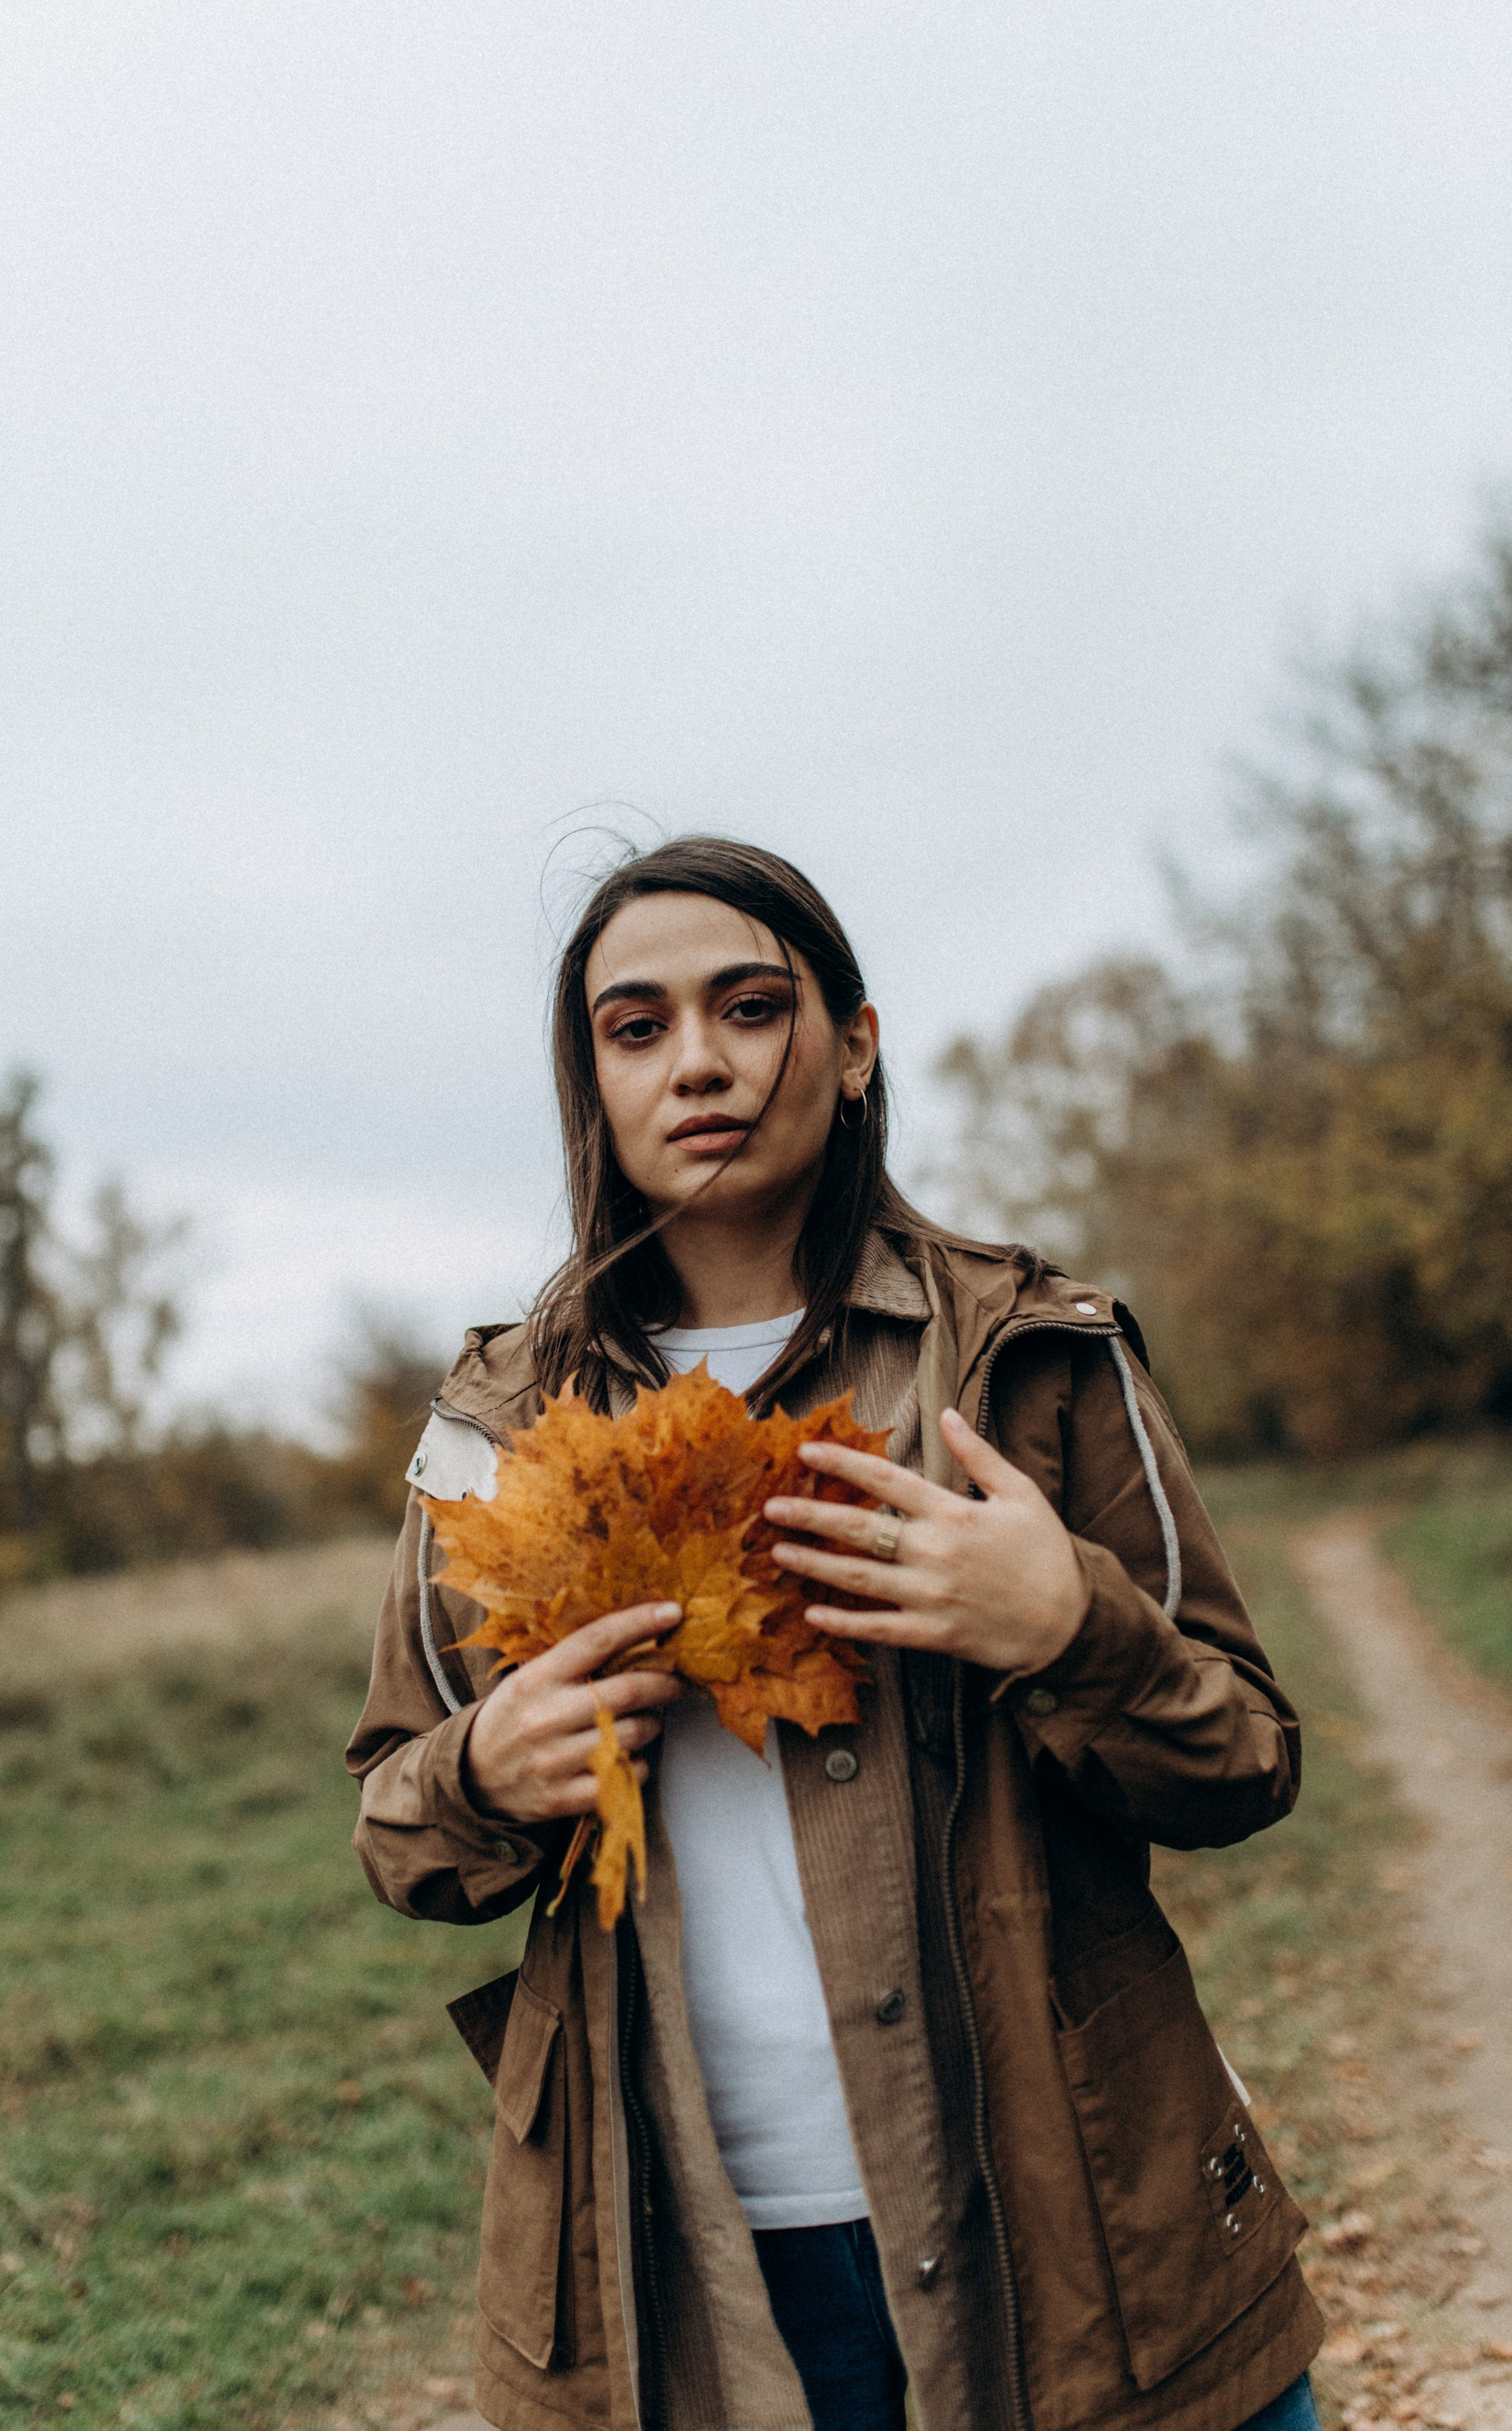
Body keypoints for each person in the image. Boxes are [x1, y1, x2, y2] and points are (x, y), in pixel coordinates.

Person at [346, 837, 1324, 2431]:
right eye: (636, 1027)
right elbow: (397, 1828)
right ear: (589, 1081)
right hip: (689, 2272)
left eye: (750, 1007)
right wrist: (487, 1767)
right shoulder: (495, 1426)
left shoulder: (1026, 1355)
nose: (701, 1063)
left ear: (853, 1044)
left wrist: (1065, 1623)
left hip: (1072, 2235)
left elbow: (1241, 1757)